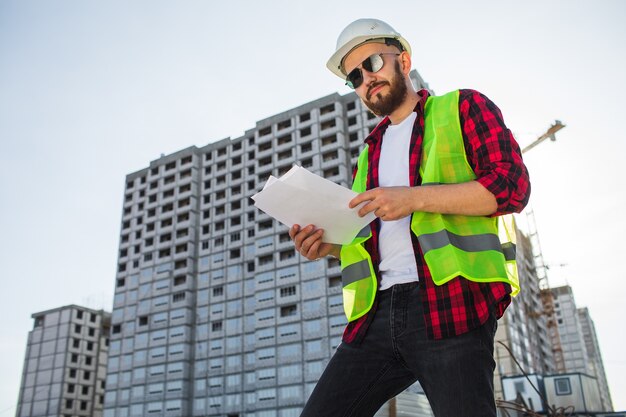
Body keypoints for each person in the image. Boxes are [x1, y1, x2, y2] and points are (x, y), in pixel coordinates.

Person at [289, 18, 530, 417]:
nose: (366, 78)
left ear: (403, 59)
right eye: (354, 76)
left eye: (372, 63)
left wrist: (412, 198)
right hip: (374, 317)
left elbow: (512, 185)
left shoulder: (462, 107)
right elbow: (370, 241)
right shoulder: (369, 154)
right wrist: (330, 247)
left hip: (449, 302)